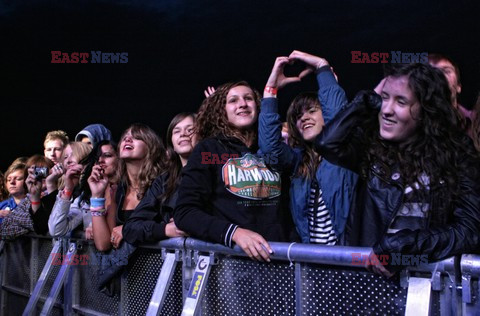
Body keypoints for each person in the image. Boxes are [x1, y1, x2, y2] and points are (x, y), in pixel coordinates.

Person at [316, 63, 480, 277]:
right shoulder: (372, 149)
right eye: (384, 98)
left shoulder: (457, 153)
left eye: (400, 101)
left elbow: (469, 230)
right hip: (369, 285)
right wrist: (365, 101)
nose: (386, 110)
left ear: (425, 109)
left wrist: (405, 245)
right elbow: (327, 144)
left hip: (426, 289)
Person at [175, 81, 289, 262]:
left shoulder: (273, 151)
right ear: (222, 111)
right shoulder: (209, 150)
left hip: (279, 260)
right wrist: (233, 233)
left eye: (248, 98)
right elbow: (185, 213)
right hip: (232, 265)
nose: (243, 104)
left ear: (258, 106)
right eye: (233, 100)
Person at [259, 52, 358, 245]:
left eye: (312, 111)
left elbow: (339, 119)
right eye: (298, 116)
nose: (303, 118)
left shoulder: (345, 153)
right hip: (312, 262)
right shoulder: (299, 162)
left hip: (348, 262)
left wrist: (322, 66)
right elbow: (270, 148)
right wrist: (271, 91)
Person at [122, 113, 195, 245]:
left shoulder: (218, 174)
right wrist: (165, 229)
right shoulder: (164, 181)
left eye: (190, 130)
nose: (183, 134)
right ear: (171, 142)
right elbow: (131, 228)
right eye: (176, 131)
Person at [1, 155, 53, 239]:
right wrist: (36, 225)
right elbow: (4, 229)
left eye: (43, 171)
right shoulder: (26, 200)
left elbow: (51, 225)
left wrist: (13, 217)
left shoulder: (59, 197)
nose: (40, 176)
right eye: (36, 172)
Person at [48, 142, 92, 237]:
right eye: (65, 157)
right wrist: (68, 189)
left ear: (86, 159)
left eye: (73, 155)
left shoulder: (91, 192)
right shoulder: (70, 193)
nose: (68, 161)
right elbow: (56, 230)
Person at [428, 53, 474, 136]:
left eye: (446, 71)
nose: (438, 76)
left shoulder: (475, 123)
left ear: (458, 86)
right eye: (431, 71)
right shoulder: (407, 123)